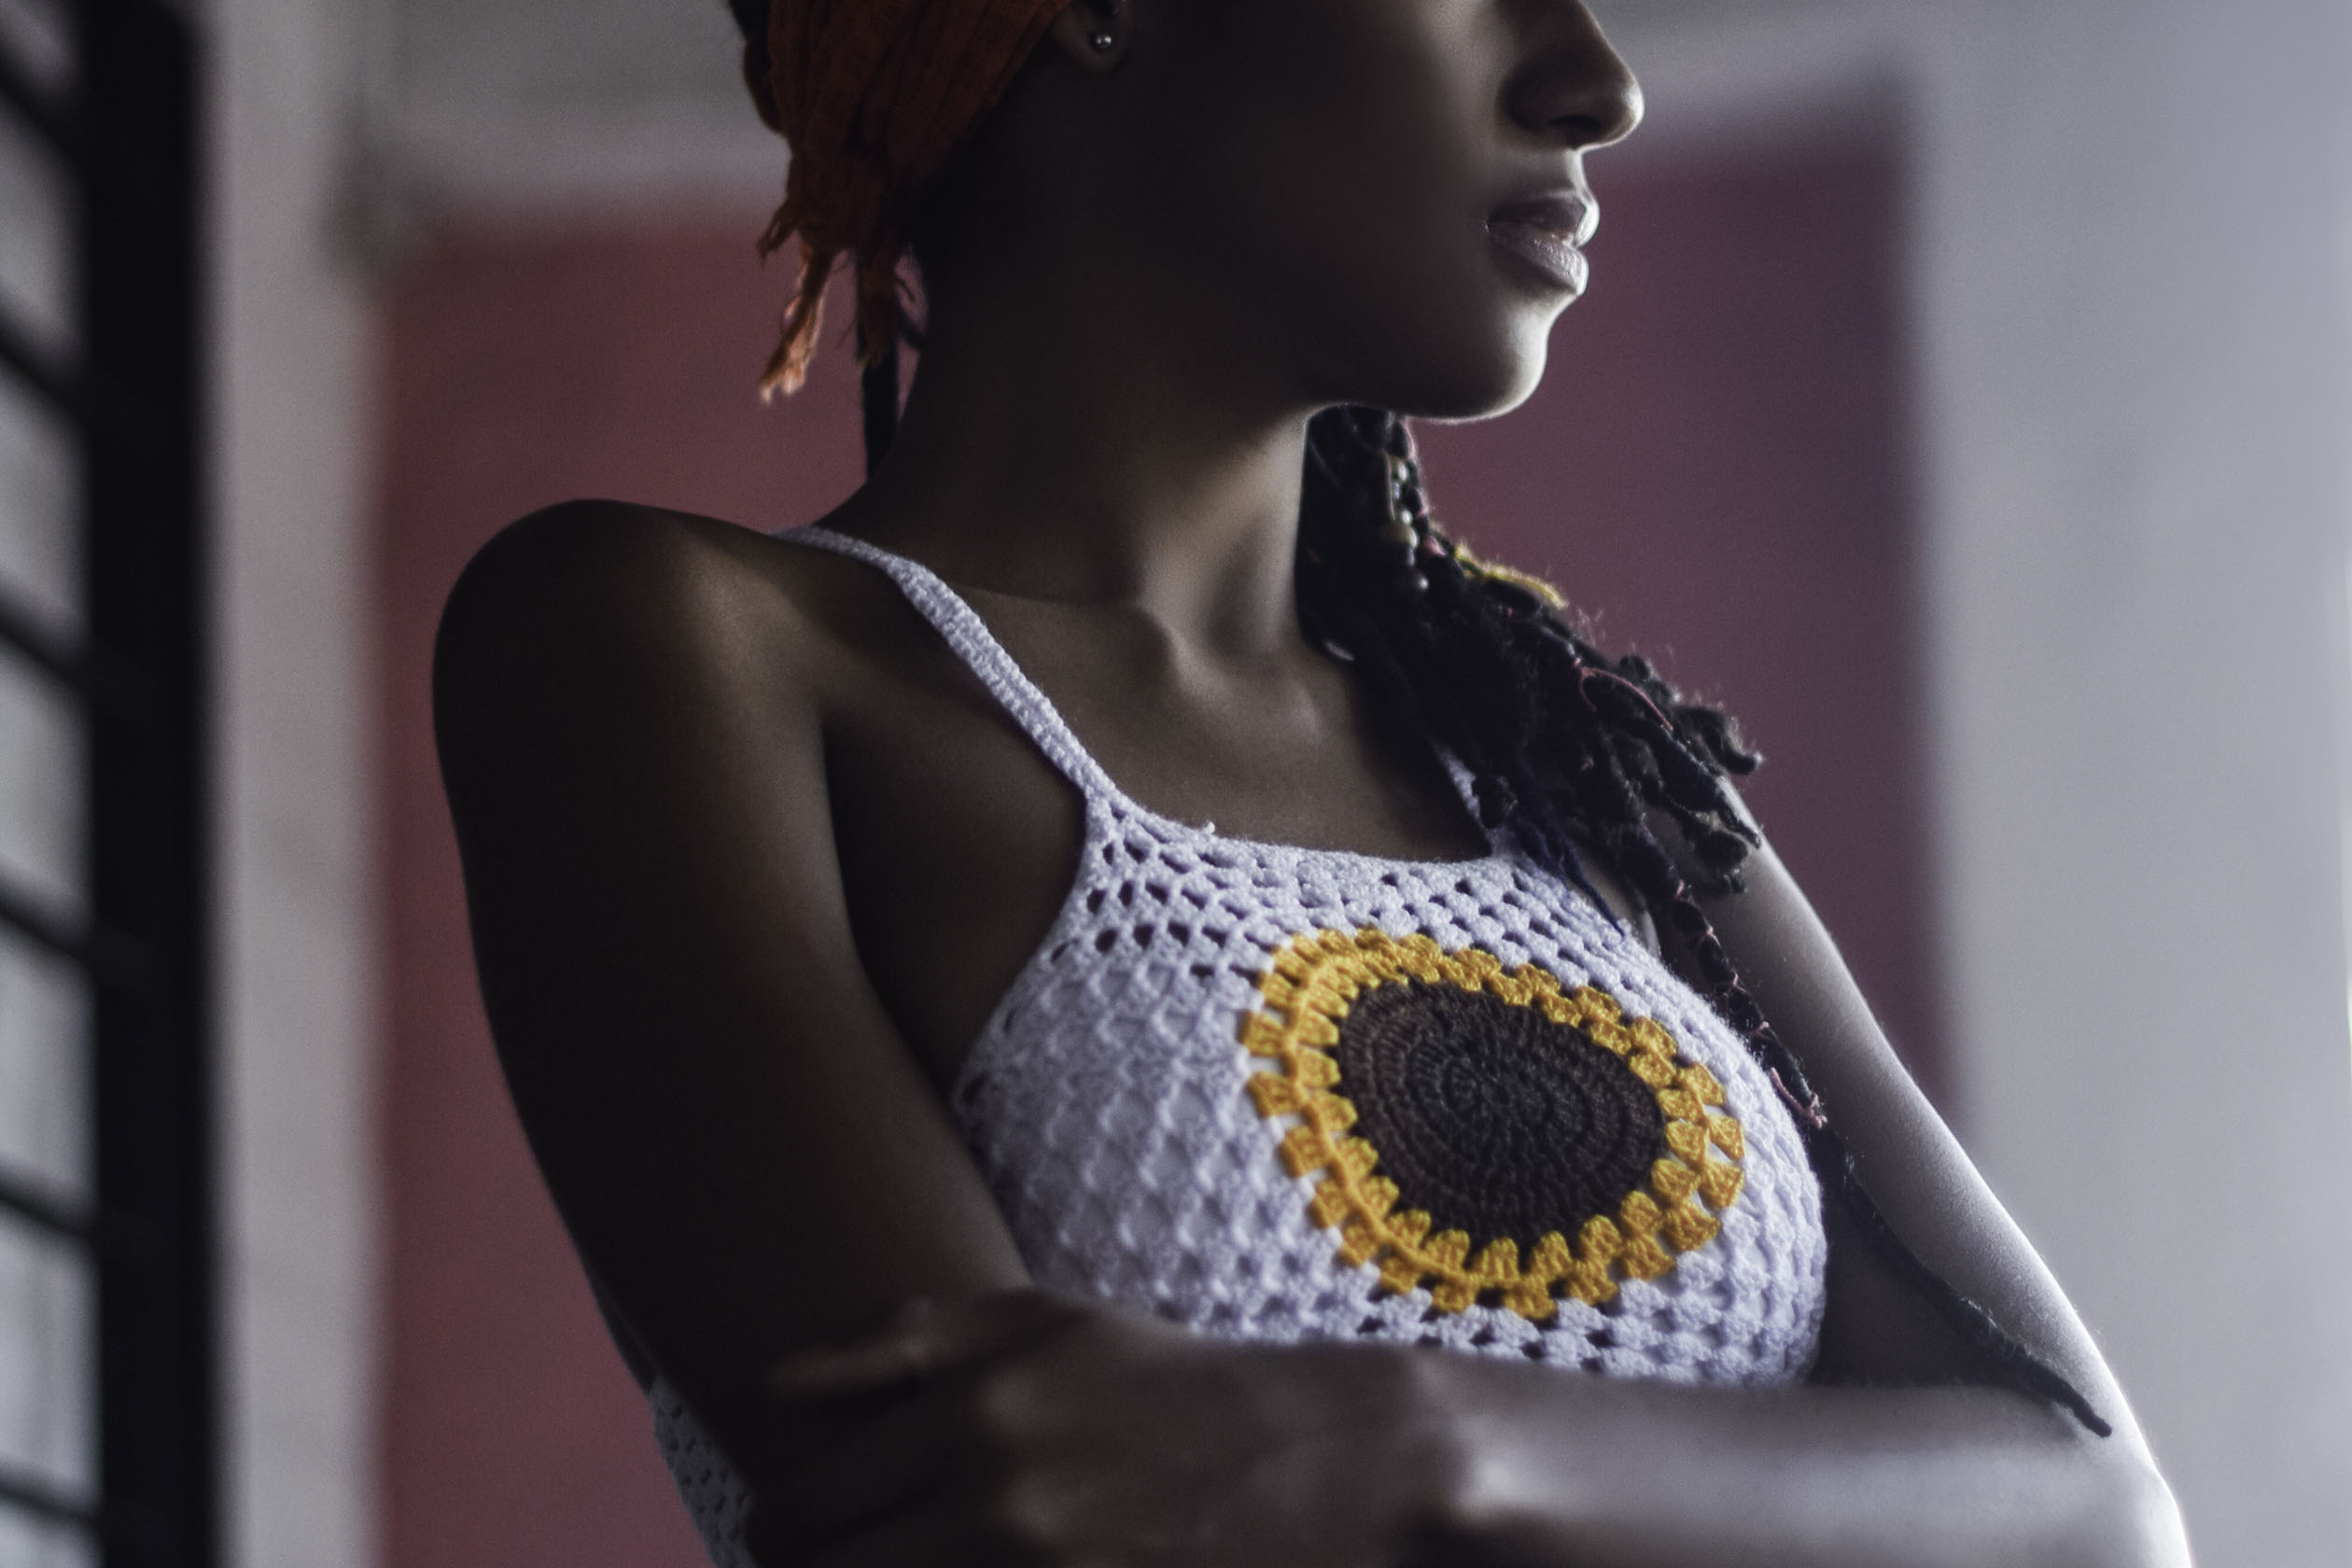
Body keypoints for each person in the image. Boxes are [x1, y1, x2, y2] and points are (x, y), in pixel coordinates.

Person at [430, 1, 2191, 1562]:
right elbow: (1005, 1519)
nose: (1599, 81)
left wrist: (1406, 1442)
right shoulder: (673, 656)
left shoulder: (1568, 756)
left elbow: (2095, 1513)